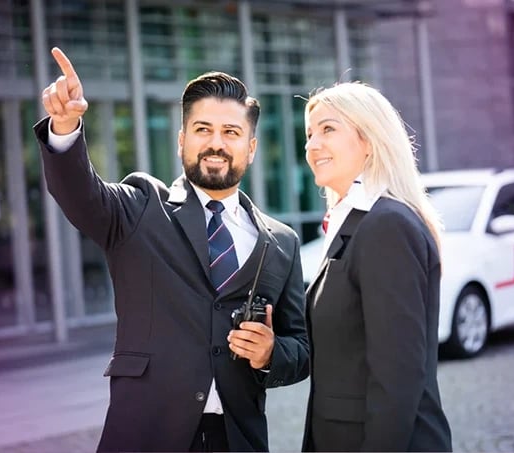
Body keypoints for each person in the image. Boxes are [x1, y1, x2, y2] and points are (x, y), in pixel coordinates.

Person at [34, 47, 309, 452]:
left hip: (237, 440)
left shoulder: (281, 241)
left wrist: (270, 352)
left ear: (250, 148)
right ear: (182, 140)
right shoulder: (140, 207)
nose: (216, 143)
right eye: (202, 129)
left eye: (231, 133)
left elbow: (300, 349)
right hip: (147, 435)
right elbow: (80, 194)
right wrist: (65, 126)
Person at [301, 82, 452, 452]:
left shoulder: (387, 225)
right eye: (308, 133)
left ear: (369, 140)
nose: (311, 145)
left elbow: (398, 376)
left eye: (328, 129)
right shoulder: (352, 223)